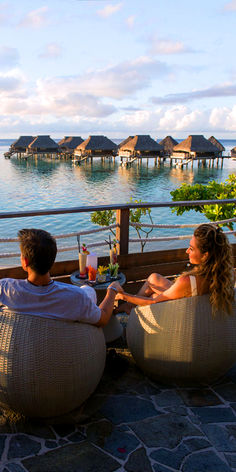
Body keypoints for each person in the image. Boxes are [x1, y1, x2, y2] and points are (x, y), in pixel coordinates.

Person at [0, 228, 120, 327]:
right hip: (66, 352)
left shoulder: (6, 289)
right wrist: (112, 290)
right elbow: (103, 319)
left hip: (18, 352)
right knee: (88, 290)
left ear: (25, 261)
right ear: (53, 260)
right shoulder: (76, 297)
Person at [114, 223, 235, 316]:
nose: (187, 251)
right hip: (198, 310)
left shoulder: (188, 281)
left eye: (191, 249)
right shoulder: (227, 274)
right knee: (154, 278)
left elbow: (153, 303)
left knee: (153, 296)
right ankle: (128, 306)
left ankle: (128, 308)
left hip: (181, 316)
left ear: (205, 255)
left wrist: (123, 296)